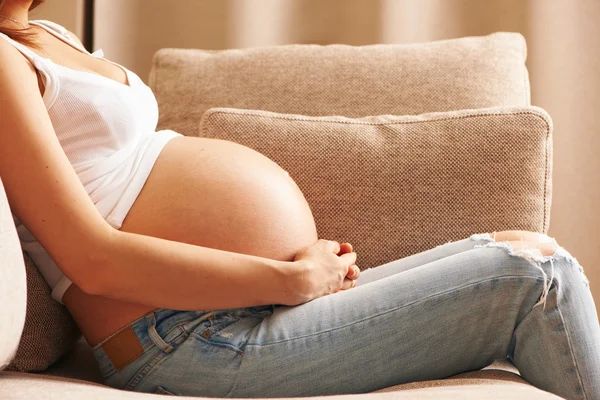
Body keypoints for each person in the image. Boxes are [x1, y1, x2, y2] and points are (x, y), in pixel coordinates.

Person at [1, 1, 598, 399]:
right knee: (538, 278)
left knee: (521, 246)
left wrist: (292, 277)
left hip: (239, 310)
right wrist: (289, 281)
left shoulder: (48, 35)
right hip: (187, 338)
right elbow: (92, 259)